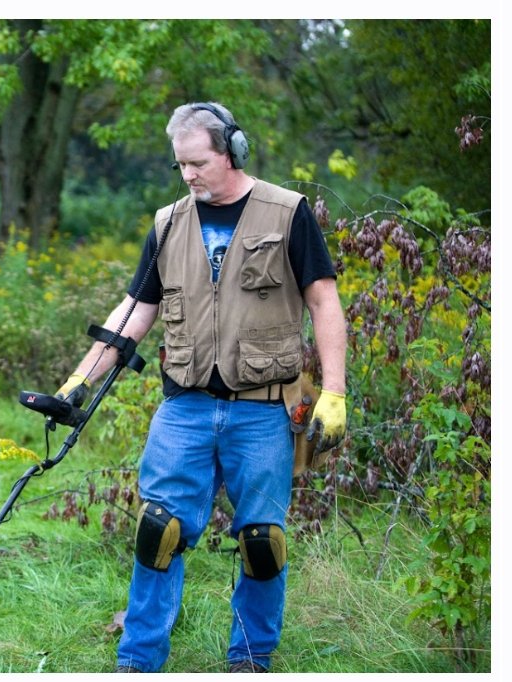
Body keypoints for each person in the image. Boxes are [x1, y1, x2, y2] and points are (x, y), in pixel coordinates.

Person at [53, 103, 347, 673]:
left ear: (232, 151)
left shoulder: (287, 213)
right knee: (158, 532)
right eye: (179, 165)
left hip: (263, 410)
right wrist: (77, 383)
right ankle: (138, 661)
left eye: (197, 162)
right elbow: (137, 310)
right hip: (183, 407)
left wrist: (333, 391)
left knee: (262, 543)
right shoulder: (169, 223)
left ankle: (251, 660)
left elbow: (323, 300)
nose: (188, 175)